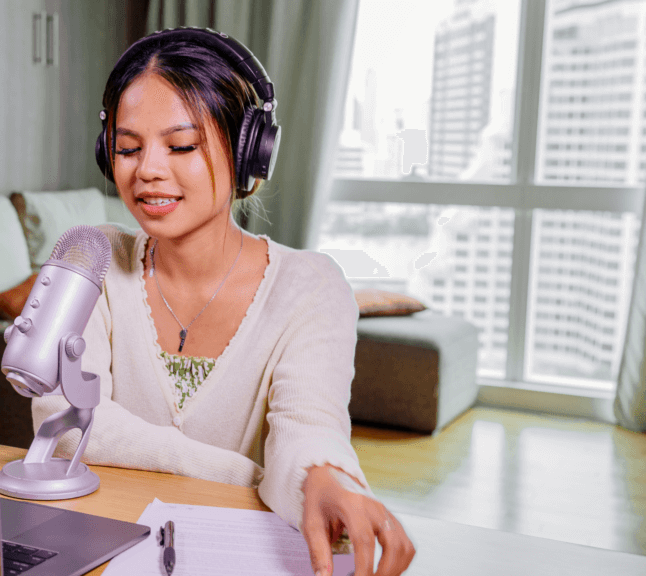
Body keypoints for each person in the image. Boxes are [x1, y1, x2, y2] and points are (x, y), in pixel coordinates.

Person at [32, 28, 415, 576]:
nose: (148, 170)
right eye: (127, 147)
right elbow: (66, 424)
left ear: (247, 150)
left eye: (182, 145)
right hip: (103, 555)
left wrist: (320, 478)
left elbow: (308, 429)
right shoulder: (92, 257)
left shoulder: (311, 287)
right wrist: (253, 478)